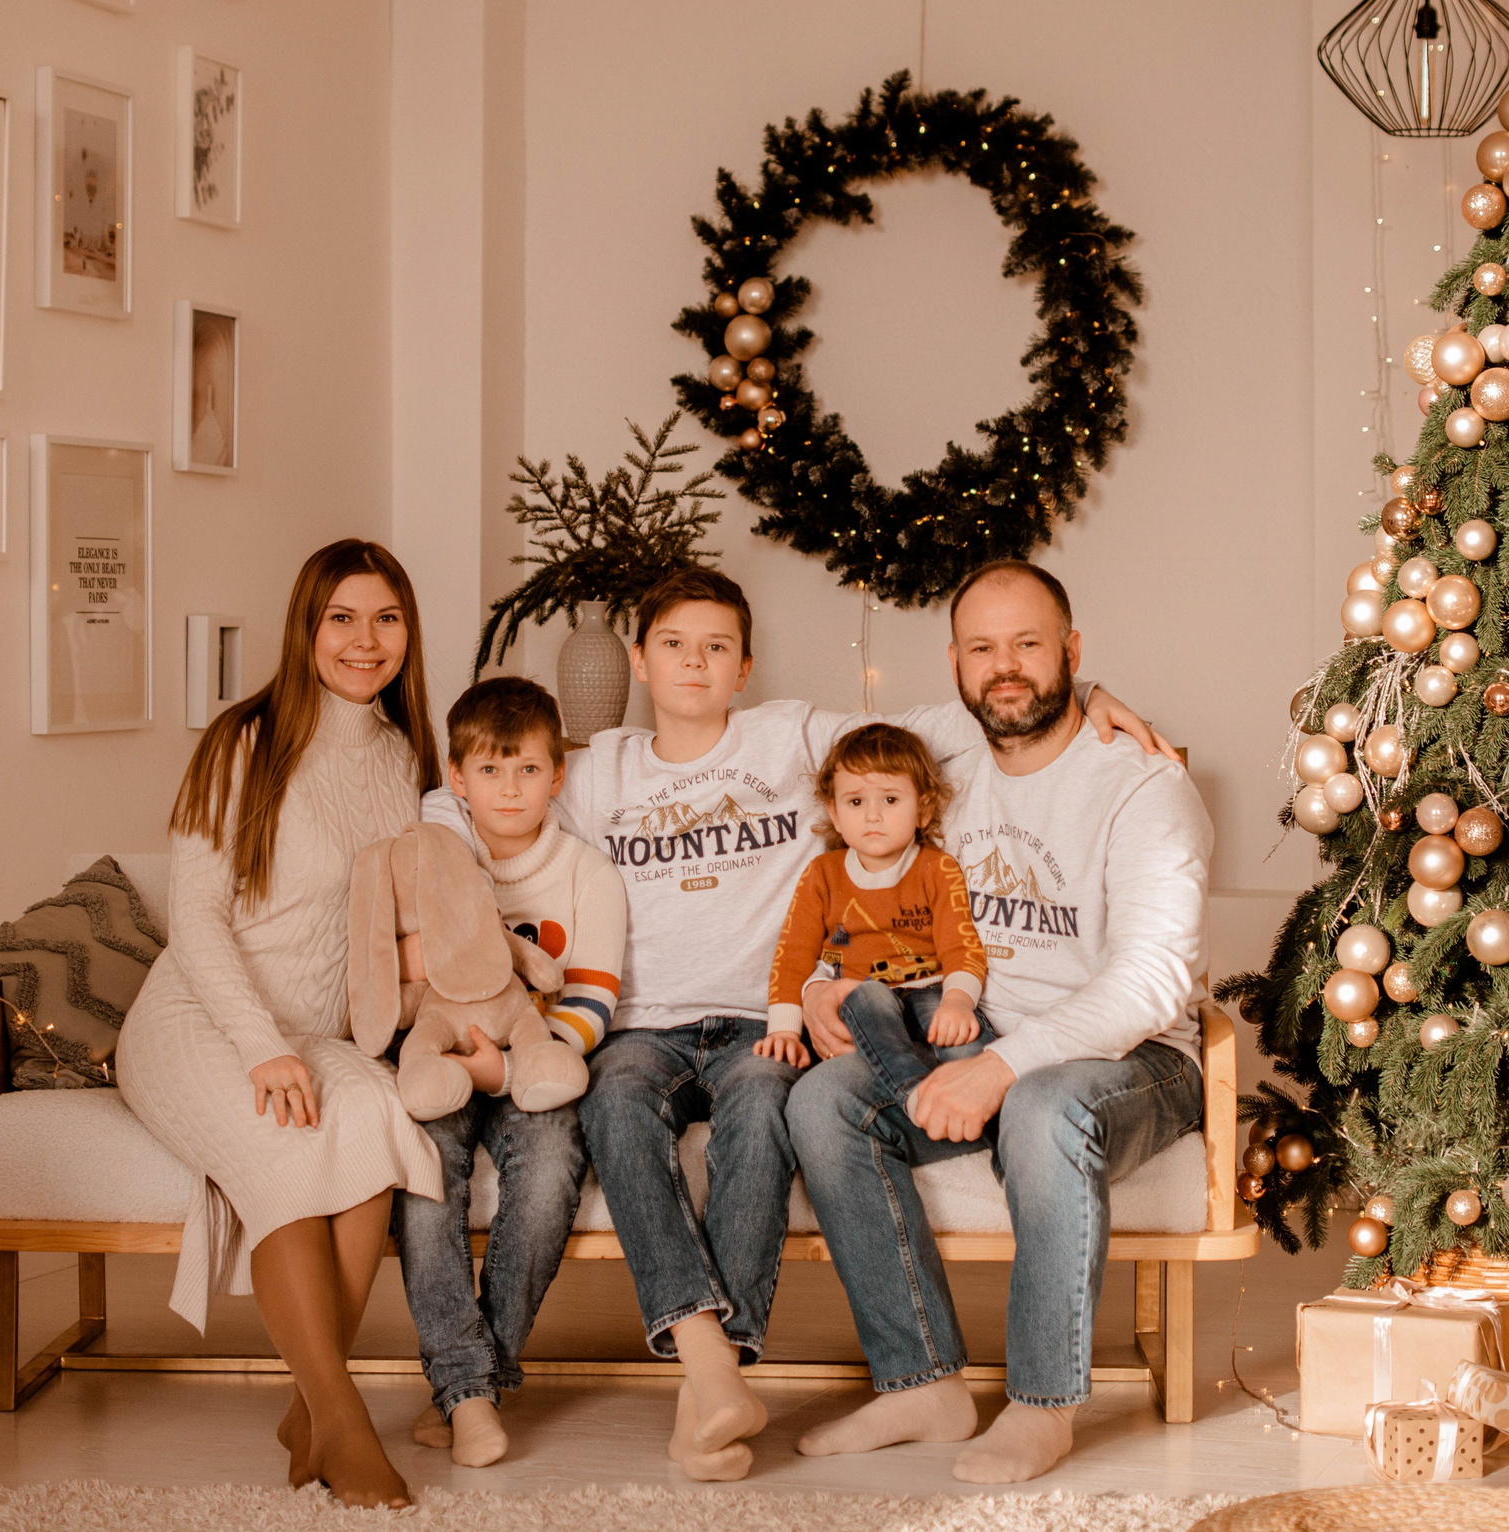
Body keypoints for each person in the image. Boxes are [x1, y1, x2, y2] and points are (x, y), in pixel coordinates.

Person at [417, 564, 1170, 1479]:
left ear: (745, 667)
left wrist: (1082, 694)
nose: (694, 664)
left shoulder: (791, 737)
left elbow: (954, 720)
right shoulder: (599, 767)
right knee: (615, 1104)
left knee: (771, 1109)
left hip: (757, 1027)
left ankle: (722, 1383)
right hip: (641, 1028)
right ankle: (708, 1366)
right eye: (672, 646)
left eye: (718, 648)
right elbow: (471, 797)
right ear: (638, 662)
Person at [788, 561, 1212, 1485]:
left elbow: (1155, 977)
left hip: (1135, 1059)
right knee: (824, 1100)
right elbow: (830, 764)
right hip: (968, 1030)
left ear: (1073, 650)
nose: (1006, 668)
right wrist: (823, 983)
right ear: (954, 663)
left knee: (1040, 1107)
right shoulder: (943, 747)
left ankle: (1043, 1405)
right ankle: (922, 1381)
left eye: (1030, 643)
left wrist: (1005, 1066)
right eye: (983, 648)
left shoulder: (1143, 786)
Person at [119, 539, 446, 1509]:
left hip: (321, 1032)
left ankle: (311, 1402)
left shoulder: (407, 759)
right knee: (284, 1150)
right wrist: (262, 1048)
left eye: (386, 617)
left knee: (376, 1123)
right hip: (200, 1017)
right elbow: (199, 918)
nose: (364, 639)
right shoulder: (244, 740)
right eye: (341, 617)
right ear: (305, 628)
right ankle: (341, 1421)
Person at [393, 676, 625, 1468]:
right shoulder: (437, 863)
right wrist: (466, 1060)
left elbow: (594, 998)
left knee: (555, 1164)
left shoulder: (586, 873)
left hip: (535, 1068)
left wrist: (517, 1062)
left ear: (557, 774)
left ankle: (465, 1390)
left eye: (528, 769)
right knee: (425, 1170)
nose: (510, 788)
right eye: (488, 771)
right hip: (447, 1058)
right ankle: (471, 1391)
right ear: (456, 779)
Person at [753, 722, 992, 1101]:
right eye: (856, 802)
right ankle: (914, 1095)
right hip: (866, 1003)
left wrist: (958, 1002)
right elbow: (793, 956)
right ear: (834, 812)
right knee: (866, 996)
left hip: (930, 989)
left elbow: (962, 947)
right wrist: (783, 1029)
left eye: (891, 800)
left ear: (923, 809)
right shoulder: (823, 874)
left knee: (964, 1042)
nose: (873, 816)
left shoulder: (937, 868)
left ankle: (991, 1123)